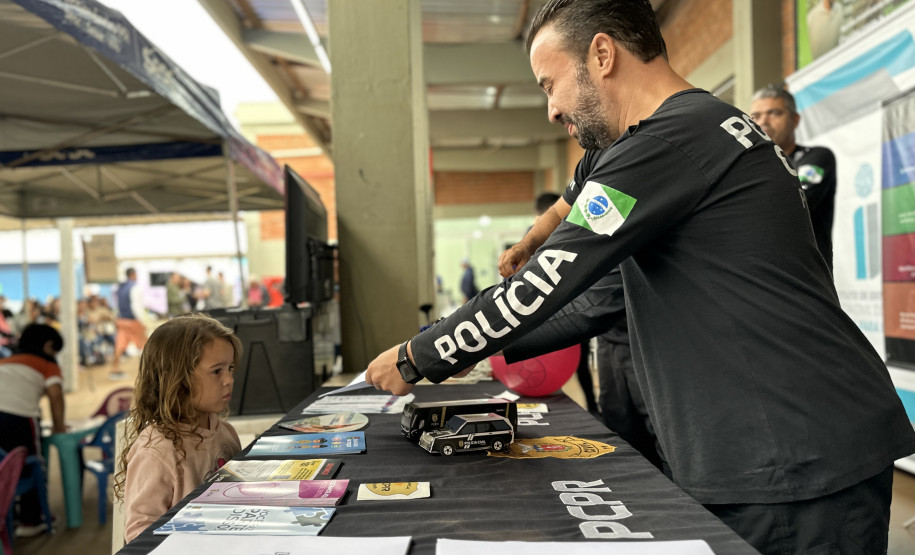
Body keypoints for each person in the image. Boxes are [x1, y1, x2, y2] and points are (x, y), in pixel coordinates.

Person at [365, 1, 915, 552]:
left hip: (793, 458)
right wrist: (480, 352)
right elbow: (591, 300)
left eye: (549, 84)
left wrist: (422, 355)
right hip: (782, 453)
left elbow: (543, 285)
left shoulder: (667, 140)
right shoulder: (695, 132)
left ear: (602, 54)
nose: (552, 109)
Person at [113, 313, 242, 543]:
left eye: (230, 368)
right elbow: (139, 533)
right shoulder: (157, 450)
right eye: (217, 371)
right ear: (178, 378)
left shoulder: (226, 433)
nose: (229, 379)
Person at [750, 84, 837, 272]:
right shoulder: (747, 167)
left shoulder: (816, 157)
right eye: (755, 116)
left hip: (808, 282)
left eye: (774, 113)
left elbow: (792, 205)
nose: (763, 121)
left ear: (795, 119)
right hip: (761, 279)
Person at [0, 324, 65, 537]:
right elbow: (55, 395)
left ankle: (8, 511)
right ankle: (31, 520)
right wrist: (58, 427)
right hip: (18, 418)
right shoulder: (47, 363)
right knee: (31, 463)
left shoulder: (6, 360)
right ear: (49, 346)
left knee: (3, 465)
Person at [111, 268, 148, 380]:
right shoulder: (134, 287)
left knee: (120, 345)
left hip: (122, 320)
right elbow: (135, 306)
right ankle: (148, 371)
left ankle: (115, 370)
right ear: (133, 274)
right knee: (145, 345)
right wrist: (142, 321)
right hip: (133, 320)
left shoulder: (120, 287)